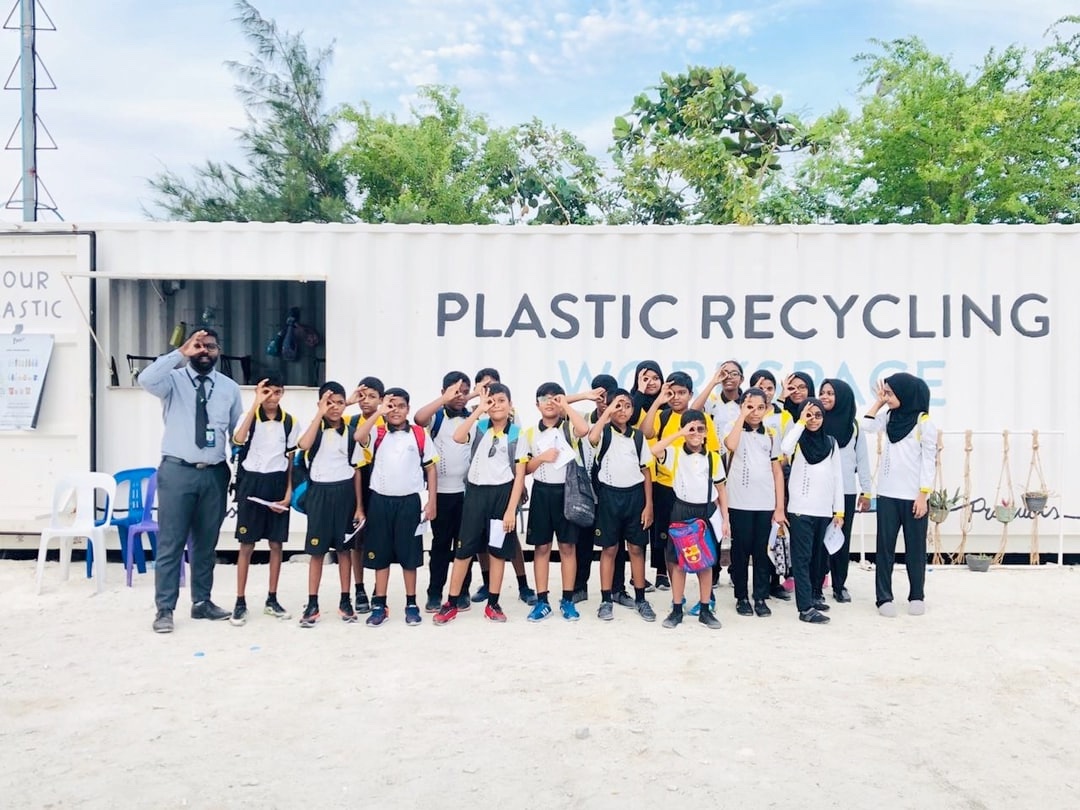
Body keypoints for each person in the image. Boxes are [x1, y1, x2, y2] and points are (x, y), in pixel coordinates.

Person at [140, 328, 244, 634]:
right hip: (178, 472)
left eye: (210, 346)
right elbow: (145, 379)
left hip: (214, 472)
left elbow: (238, 430)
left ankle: (202, 602)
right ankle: (165, 609)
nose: (204, 351)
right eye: (198, 346)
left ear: (218, 350)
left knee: (206, 544)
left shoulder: (228, 387)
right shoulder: (171, 380)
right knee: (171, 544)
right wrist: (178, 353)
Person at [434, 383, 529, 624]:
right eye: (492, 401)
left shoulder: (518, 434)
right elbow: (457, 437)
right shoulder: (479, 426)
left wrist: (510, 510)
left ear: (510, 405)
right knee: (464, 550)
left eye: (501, 400)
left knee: (497, 551)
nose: (496, 405)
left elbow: (520, 475)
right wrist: (479, 411)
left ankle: (493, 603)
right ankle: (451, 603)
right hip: (476, 494)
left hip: (502, 496)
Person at [354, 388, 438, 627]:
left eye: (400, 406)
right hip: (380, 502)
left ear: (408, 409)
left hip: (409, 503)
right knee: (380, 555)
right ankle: (380, 603)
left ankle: (411, 603)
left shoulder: (420, 434)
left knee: (409, 556)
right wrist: (378, 412)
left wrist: (432, 501)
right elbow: (359, 437)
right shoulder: (377, 432)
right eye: (391, 406)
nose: (396, 411)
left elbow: (431, 469)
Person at [642, 372, 721, 615]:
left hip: (699, 496)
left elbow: (714, 456)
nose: (676, 397)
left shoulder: (702, 419)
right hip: (667, 490)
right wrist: (659, 400)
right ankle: (679, 597)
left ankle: (708, 598)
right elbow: (647, 435)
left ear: (690, 393)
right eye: (672, 393)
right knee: (672, 546)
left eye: (682, 392)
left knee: (704, 547)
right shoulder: (663, 416)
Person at [862, 373, 936, 618]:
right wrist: (880, 403)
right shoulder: (888, 417)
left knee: (915, 548)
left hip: (914, 497)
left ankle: (917, 595)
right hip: (887, 495)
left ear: (907, 394)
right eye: (887, 393)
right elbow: (866, 425)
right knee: (885, 548)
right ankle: (883, 597)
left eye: (891, 393)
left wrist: (923, 495)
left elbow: (928, 461)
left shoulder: (924, 422)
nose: (888, 396)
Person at [650, 410, 729, 629]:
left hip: (705, 512)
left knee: (706, 563)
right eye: (690, 429)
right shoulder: (675, 453)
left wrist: (725, 519)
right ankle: (676, 609)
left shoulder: (713, 457)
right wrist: (678, 434)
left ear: (706, 433)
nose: (695, 434)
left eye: (699, 429)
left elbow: (721, 489)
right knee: (678, 563)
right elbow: (654, 449)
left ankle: (705, 609)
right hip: (681, 511)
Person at [229, 375, 298, 625]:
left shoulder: (290, 422)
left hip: (277, 483)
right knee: (246, 544)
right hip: (252, 483)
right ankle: (240, 601)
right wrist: (254, 405)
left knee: (276, 544)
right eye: (266, 391)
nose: (272, 397)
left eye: (277, 392)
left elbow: (290, 461)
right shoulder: (249, 418)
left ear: (283, 393)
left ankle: (272, 598)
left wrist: (288, 494)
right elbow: (238, 440)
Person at [295, 382, 365, 628]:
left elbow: (356, 471)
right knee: (316, 552)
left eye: (339, 402)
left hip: (344, 494)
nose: (335, 407)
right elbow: (303, 445)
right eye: (329, 402)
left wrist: (359, 506)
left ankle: (345, 600)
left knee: (344, 550)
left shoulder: (351, 432)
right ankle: (312, 603)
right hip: (319, 494)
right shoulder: (314, 429)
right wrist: (319, 414)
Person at [466, 368, 537, 607]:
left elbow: (518, 461)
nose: (491, 396)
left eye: (494, 388)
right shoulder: (475, 418)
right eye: (484, 389)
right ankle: (488, 583)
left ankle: (523, 584)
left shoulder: (510, 418)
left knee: (507, 536)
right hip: (474, 486)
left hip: (505, 488)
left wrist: (522, 487)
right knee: (480, 538)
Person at [523, 383, 591, 622]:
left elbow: (584, 430)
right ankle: (542, 601)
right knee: (541, 548)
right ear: (536, 404)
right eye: (544, 398)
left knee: (567, 548)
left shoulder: (569, 427)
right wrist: (541, 458)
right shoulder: (530, 433)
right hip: (542, 493)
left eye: (555, 398)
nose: (549, 402)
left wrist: (567, 406)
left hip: (567, 493)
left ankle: (568, 600)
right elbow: (525, 469)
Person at [589, 389, 656, 623]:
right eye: (618, 405)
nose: (623, 410)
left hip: (635, 498)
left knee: (637, 549)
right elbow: (591, 438)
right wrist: (608, 410)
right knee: (609, 549)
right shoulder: (603, 433)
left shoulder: (638, 437)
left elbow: (646, 471)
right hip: (609, 497)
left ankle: (640, 598)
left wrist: (649, 505)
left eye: (627, 405)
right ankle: (606, 599)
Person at [413, 370, 475, 612]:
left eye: (464, 392)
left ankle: (462, 591)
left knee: (464, 545)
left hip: (466, 494)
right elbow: (418, 418)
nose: (460, 396)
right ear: (443, 392)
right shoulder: (436, 417)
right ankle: (434, 592)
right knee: (440, 545)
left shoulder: (471, 418)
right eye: (454, 391)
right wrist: (444, 400)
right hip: (440, 494)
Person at [723, 388, 787, 618]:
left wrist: (779, 507)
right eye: (750, 407)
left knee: (762, 552)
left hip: (765, 502)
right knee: (740, 552)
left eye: (760, 407)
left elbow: (777, 472)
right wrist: (742, 415)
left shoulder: (771, 432)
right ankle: (741, 596)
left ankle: (760, 596)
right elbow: (730, 445)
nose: (755, 412)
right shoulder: (733, 426)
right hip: (739, 501)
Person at [780, 398, 844, 624]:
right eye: (809, 415)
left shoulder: (831, 443)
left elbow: (838, 477)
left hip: (824, 510)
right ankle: (805, 607)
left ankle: (814, 595)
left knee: (818, 557)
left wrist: (839, 511)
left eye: (818, 415)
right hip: (800, 510)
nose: (813, 420)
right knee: (802, 558)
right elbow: (784, 448)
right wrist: (800, 423)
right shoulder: (797, 440)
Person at [819, 378, 872, 602]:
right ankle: (817, 586)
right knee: (819, 540)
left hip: (847, 492)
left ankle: (840, 585)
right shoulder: (816, 421)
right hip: (820, 493)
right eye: (823, 392)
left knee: (841, 539)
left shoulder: (853, 426)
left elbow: (862, 459)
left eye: (830, 393)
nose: (825, 397)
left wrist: (867, 491)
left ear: (842, 397)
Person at [571, 373, 620, 604]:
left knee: (614, 545)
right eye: (598, 394)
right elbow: (558, 402)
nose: (603, 399)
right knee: (583, 542)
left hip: (613, 491)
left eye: (607, 395)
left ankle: (617, 590)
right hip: (586, 491)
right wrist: (583, 397)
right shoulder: (582, 418)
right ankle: (580, 586)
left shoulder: (621, 423)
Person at [345, 376, 385, 613]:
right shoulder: (348, 420)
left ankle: (378, 591)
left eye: (372, 397)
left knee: (379, 538)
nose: (366, 401)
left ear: (381, 399)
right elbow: (319, 422)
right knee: (356, 542)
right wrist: (348, 402)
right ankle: (359, 588)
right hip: (355, 482)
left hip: (381, 483)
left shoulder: (387, 421)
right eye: (362, 396)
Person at [630, 360, 668, 590]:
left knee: (661, 523)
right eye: (645, 378)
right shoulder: (632, 403)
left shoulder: (668, 403)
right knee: (640, 526)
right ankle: (638, 575)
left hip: (663, 473)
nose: (651, 382)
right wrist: (640, 391)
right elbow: (634, 420)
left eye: (655, 378)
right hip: (637, 473)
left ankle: (662, 572)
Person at [692, 359, 745, 443]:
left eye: (734, 374)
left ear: (741, 379)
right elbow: (692, 412)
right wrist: (713, 382)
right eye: (725, 373)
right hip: (716, 454)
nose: (729, 377)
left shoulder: (746, 403)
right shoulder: (712, 401)